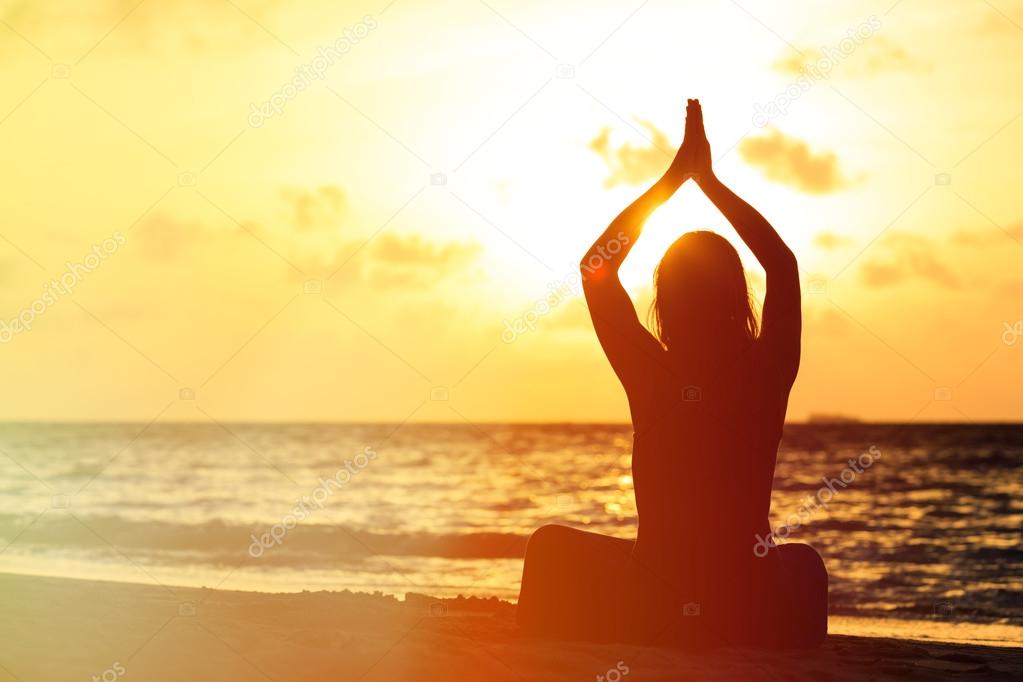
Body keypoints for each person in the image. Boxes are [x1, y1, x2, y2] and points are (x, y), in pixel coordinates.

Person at [516, 99, 827, 648]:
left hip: (652, 597)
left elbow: (596, 267)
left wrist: (673, 180)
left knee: (547, 545)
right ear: (738, 298)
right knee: (805, 565)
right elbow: (782, 264)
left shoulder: (652, 373)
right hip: (743, 599)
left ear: (665, 301)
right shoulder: (767, 371)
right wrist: (708, 181)